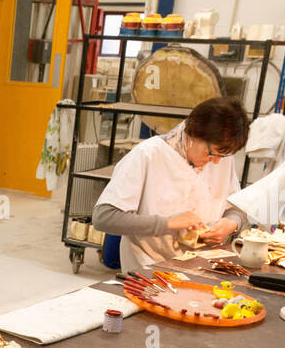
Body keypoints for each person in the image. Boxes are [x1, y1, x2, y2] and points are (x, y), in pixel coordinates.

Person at [93, 96, 250, 274]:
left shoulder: (222, 157)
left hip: (204, 267)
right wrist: (169, 223)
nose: (215, 163)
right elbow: (104, 217)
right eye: (210, 154)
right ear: (193, 135)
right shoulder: (148, 155)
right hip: (149, 269)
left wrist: (231, 223)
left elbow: (237, 207)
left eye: (221, 156)